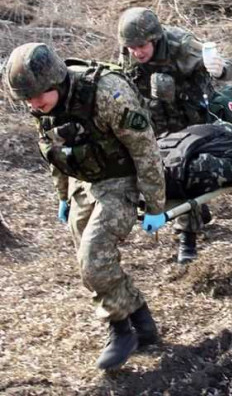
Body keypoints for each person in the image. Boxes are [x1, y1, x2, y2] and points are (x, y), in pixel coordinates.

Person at [3, 43, 167, 370]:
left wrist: (154, 203)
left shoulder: (107, 92)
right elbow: (54, 151)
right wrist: (63, 196)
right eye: (28, 100)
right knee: (88, 261)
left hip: (122, 178)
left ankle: (121, 331)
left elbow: (144, 147)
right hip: (86, 180)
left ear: (56, 81)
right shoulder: (41, 104)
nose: (34, 105)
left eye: (38, 96)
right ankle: (142, 322)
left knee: (93, 256)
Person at [117, 7, 232, 263]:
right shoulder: (128, 53)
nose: (137, 52)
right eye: (131, 47)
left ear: (155, 38)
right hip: (156, 118)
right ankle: (196, 212)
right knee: (165, 169)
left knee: (181, 170)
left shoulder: (181, 45)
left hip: (189, 116)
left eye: (142, 46)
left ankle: (187, 237)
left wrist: (219, 69)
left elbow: (227, 69)